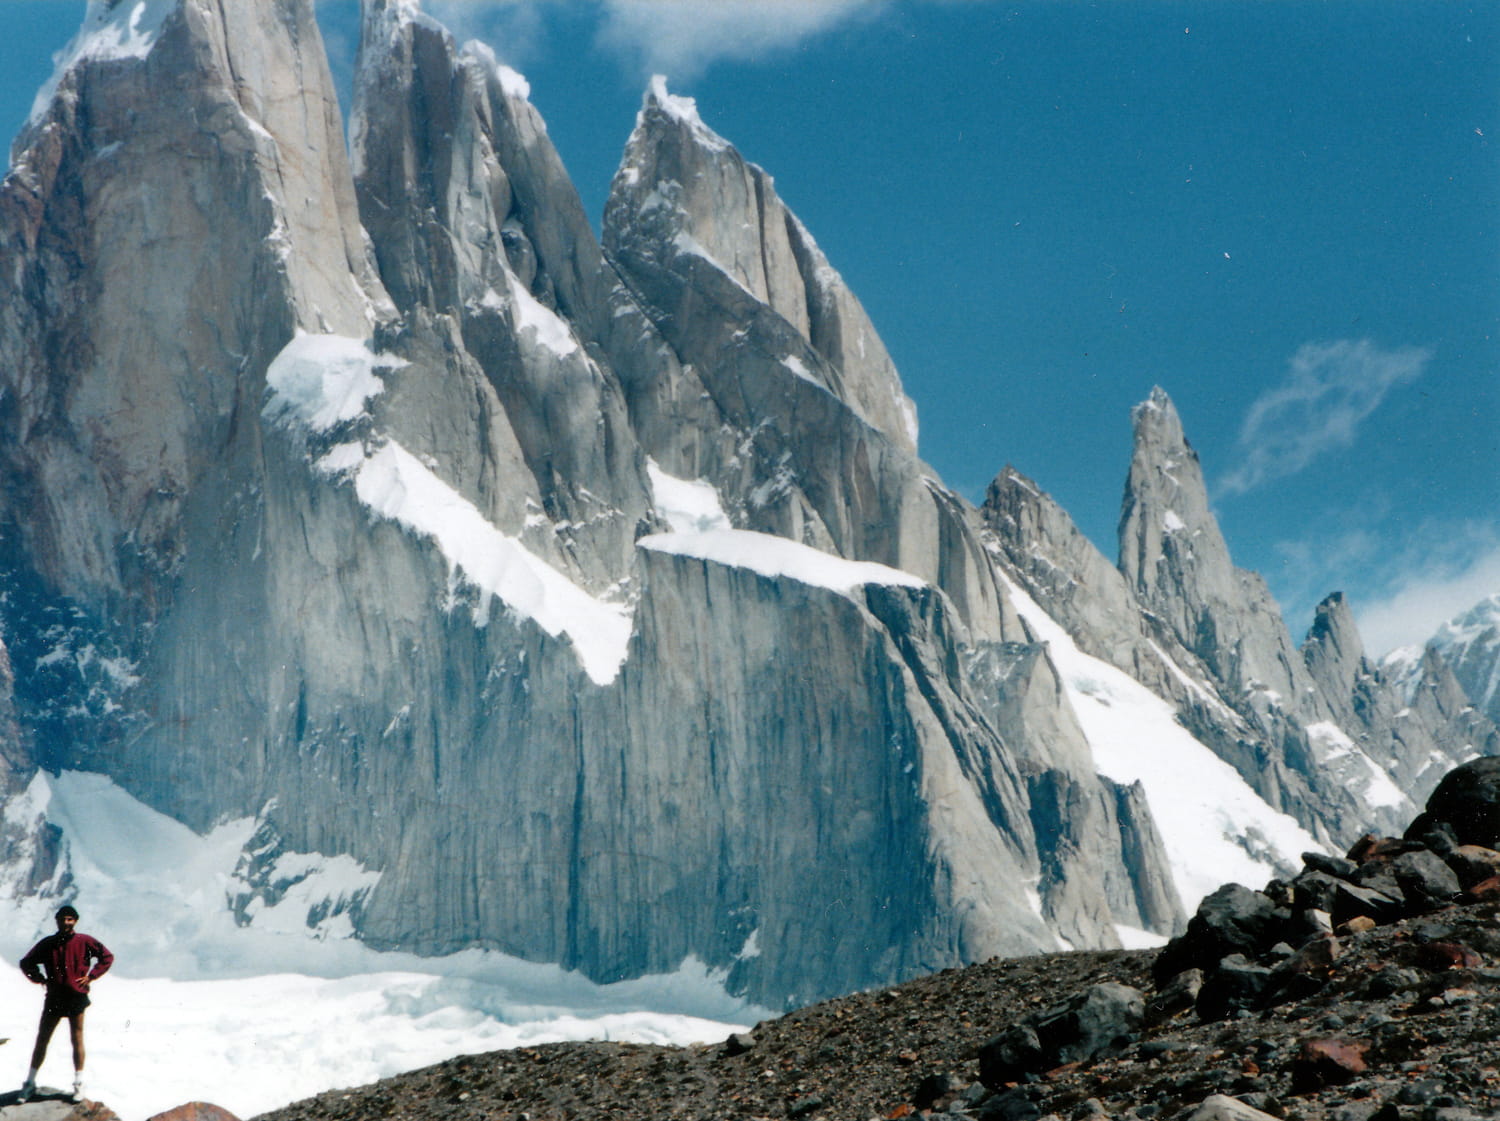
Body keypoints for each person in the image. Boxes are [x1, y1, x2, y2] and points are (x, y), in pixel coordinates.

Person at [17, 905, 113, 1103]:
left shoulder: (84, 941)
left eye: (70, 919)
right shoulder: (48, 943)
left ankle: (79, 1084)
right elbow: (26, 962)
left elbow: (107, 957)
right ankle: (30, 1083)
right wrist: (40, 978)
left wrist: (91, 976)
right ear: (57, 921)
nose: (66, 922)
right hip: (55, 996)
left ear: (75, 921)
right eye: (63, 919)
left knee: (76, 1039)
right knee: (43, 1039)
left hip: (76, 995)